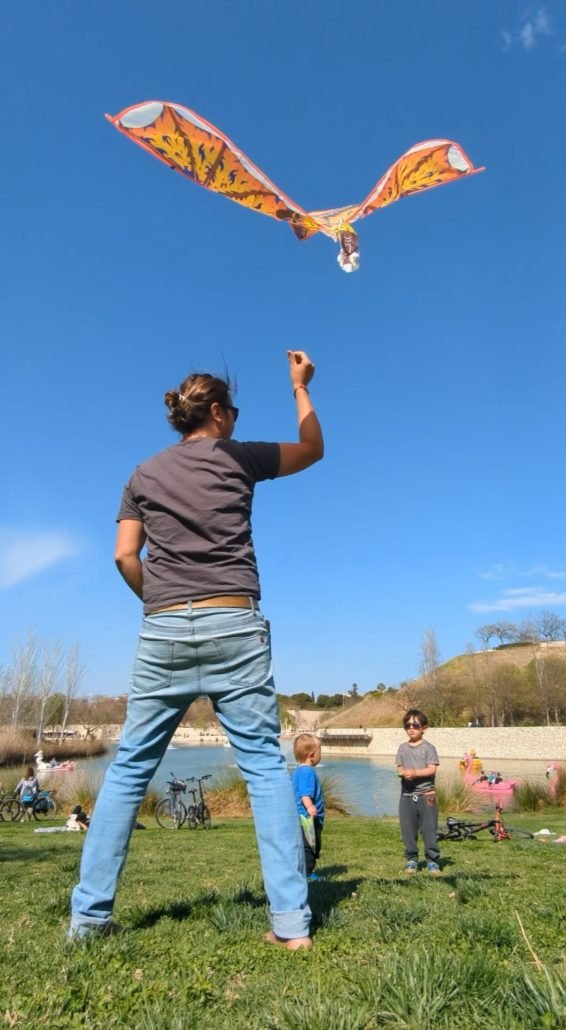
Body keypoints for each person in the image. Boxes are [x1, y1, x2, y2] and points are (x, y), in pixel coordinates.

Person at [69, 350, 323, 950]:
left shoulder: (142, 474)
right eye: (233, 409)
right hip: (234, 623)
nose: (236, 417)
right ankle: (291, 926)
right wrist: (300, 387)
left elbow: (123, 556)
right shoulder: (239, 457)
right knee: (262, 766)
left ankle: (88, 922)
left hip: (162, 628)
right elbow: (312, 448)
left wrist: (159, 604)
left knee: (129, 769)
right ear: (215, 411)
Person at [395, 709, 441, 876]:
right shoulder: (402, 748)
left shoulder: (429, 748)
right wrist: (401, 772)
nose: (411, 728)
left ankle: (432, 861)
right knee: (408, 830)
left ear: (424, 728)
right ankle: (412, 859)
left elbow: (431, 769)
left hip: (427, 796)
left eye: (416, 725)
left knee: (429, 829)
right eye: (407, 725)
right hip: (406, 796)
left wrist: (414, 773)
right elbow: (399, 766)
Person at [291, 734, 325, 881]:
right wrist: (310, 807)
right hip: (308, 819)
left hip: (300, 817)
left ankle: (300, 870)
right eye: (320, 752)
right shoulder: (308, 772)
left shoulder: (298, 771)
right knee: (310, 846)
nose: (320, 756)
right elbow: (304, 793)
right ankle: (308, 873)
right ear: (311, 755)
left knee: (303, 845)